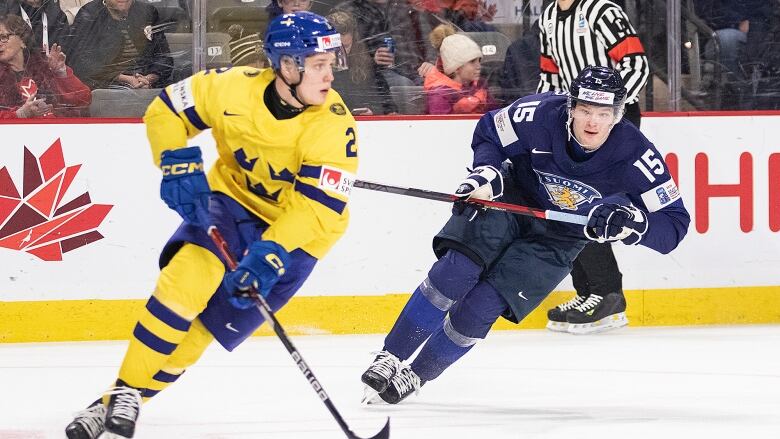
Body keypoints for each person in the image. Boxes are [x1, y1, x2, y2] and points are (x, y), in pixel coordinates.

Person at [65, 11, 357, 438]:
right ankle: (128, 387)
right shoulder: (229, 87)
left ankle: (115, 401)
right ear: (287, 66)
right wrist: (174, 163)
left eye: (332, 64)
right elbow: (165, 110)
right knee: (187, 281)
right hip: (230, 204)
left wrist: (272, 250)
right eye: (318, 64)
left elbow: (316, 209)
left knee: (206, 329)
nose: (330, 75)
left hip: (300, 237)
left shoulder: (335, 126)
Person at [359, 66, 689, 405]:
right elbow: (490, 131)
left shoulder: (636, 154)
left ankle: (418, 374)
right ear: (571, 107)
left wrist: (634, 224)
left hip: (560, 238)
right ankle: (391, 356)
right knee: (454, 271)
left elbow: (674, 225)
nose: (593, 122)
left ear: (618, 115)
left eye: (604, 114)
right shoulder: (540, 114)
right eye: (586, 111)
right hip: (511, 204)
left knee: (481, 306)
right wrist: (486, 171)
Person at [537, 0, 650, 334]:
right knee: (567, 200)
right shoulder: (548, 18)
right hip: (575, 120)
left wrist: (602, 108)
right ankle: (589, 291)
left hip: (610, 120)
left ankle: (606, 293)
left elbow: (637, 65)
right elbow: (550, 79)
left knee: (588, 200)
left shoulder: (602, 11)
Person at [66, 0, 172, 89]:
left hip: (149, 83)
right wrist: (126, 79)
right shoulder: (90, 13)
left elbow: (164, 57)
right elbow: (81, 63)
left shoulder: (148, 12)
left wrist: (148, 79)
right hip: (107, 87)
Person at [0, 14, 90, 118]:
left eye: (3, 37)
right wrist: (19, 114)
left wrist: (61, 72)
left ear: (23, 40)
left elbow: (84, 100)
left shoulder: (44, 67)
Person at [327, 10, 395, 114]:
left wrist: (373, 112)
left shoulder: (367, 66)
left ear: (353, 42)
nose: (340, 52)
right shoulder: (315, 73)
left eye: (346, 46)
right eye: (335, 47)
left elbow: (389, 106)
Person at [424, 33, 493, 114]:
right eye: (472, 61)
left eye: (479, 60)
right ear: (457, 68)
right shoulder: (440, 95)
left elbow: (495, 115)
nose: (479, 66)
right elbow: (442, 125)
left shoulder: (480, 86)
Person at [0, 0, 71, 54]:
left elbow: (66, 56)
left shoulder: (59, 17)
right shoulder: (4, 12)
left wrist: (58, 69)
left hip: (48, 71)